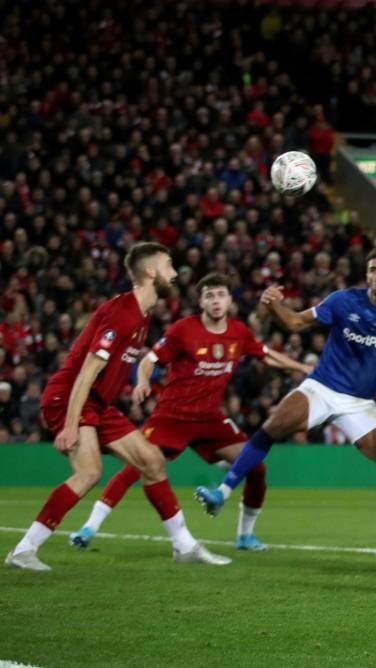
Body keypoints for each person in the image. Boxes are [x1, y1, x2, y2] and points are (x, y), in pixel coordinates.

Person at [194, 248, 376, 558]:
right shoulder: (343, 300)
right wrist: (274, 304)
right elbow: (295, 323)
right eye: (373, 269)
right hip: (322, 387)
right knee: (274, 425)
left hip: (358, 402)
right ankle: (221, 493)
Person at [6, 243, 229, 571]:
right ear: (150, 271)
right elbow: (87, 373)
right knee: (89, 473)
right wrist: (70, 425)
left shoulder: (143, 314)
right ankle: (23, 551)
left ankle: (184, 546)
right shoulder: (122, 313)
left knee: (152, 461)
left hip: (97, 404)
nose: (173, 272)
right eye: (168, 265)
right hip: (71, 396)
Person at [68, 274, 311, 551]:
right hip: (172, 416)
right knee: (137, 467)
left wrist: (300, 368)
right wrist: (143, 380)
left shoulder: (238, 331)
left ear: (230, 300)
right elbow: (150, 359)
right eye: (209, 295)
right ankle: (90, 526)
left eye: (220, 294)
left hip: (210, 418)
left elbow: (265, 353)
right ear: (201, 302)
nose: (216, 300)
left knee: (256, 467)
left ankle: (245, 536)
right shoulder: (183, 329)